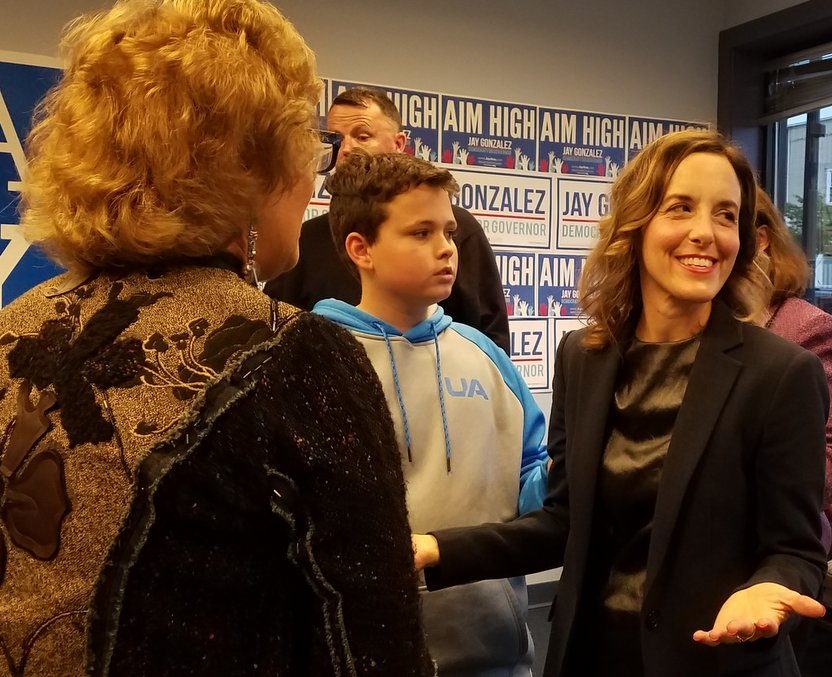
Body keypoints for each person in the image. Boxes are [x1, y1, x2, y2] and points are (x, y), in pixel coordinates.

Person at [0, 2, 431, 675]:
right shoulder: (296, 355)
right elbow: (373, 646)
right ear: (252, 170)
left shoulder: (12, 328)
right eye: (308, 151)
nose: (312, 178)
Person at [414, 130, 830, 677]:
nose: (705, 232)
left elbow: (796, 550)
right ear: (636, 223)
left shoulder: (781, 374)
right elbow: (563, 523)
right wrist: (434, 549)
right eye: (680, 207)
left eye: (726, 215)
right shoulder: (583, 358)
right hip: (592, 656)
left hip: (711, 661)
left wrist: (768, 589)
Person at [313, 150, 550, 677]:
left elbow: (532, 480)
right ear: (361, 249)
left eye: (449, 232)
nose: (446, 248)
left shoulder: (485, 356)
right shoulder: (315, 359)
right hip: (362, 658)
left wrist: (567, 470)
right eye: (421, 233)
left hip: (495, 655)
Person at [265, 87, 511, 352]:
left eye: (362, 136)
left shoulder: (462, 230)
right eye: (336, 138)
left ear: (399, 144)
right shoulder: (305, 240)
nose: (346, 149)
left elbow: (491, 341)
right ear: (358, 248)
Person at [754, 187, 832, 555]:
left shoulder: (804, 328)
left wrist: (749, 502)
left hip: (775, 541)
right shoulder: (691, 320)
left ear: (760, 240)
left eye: (726, 219)